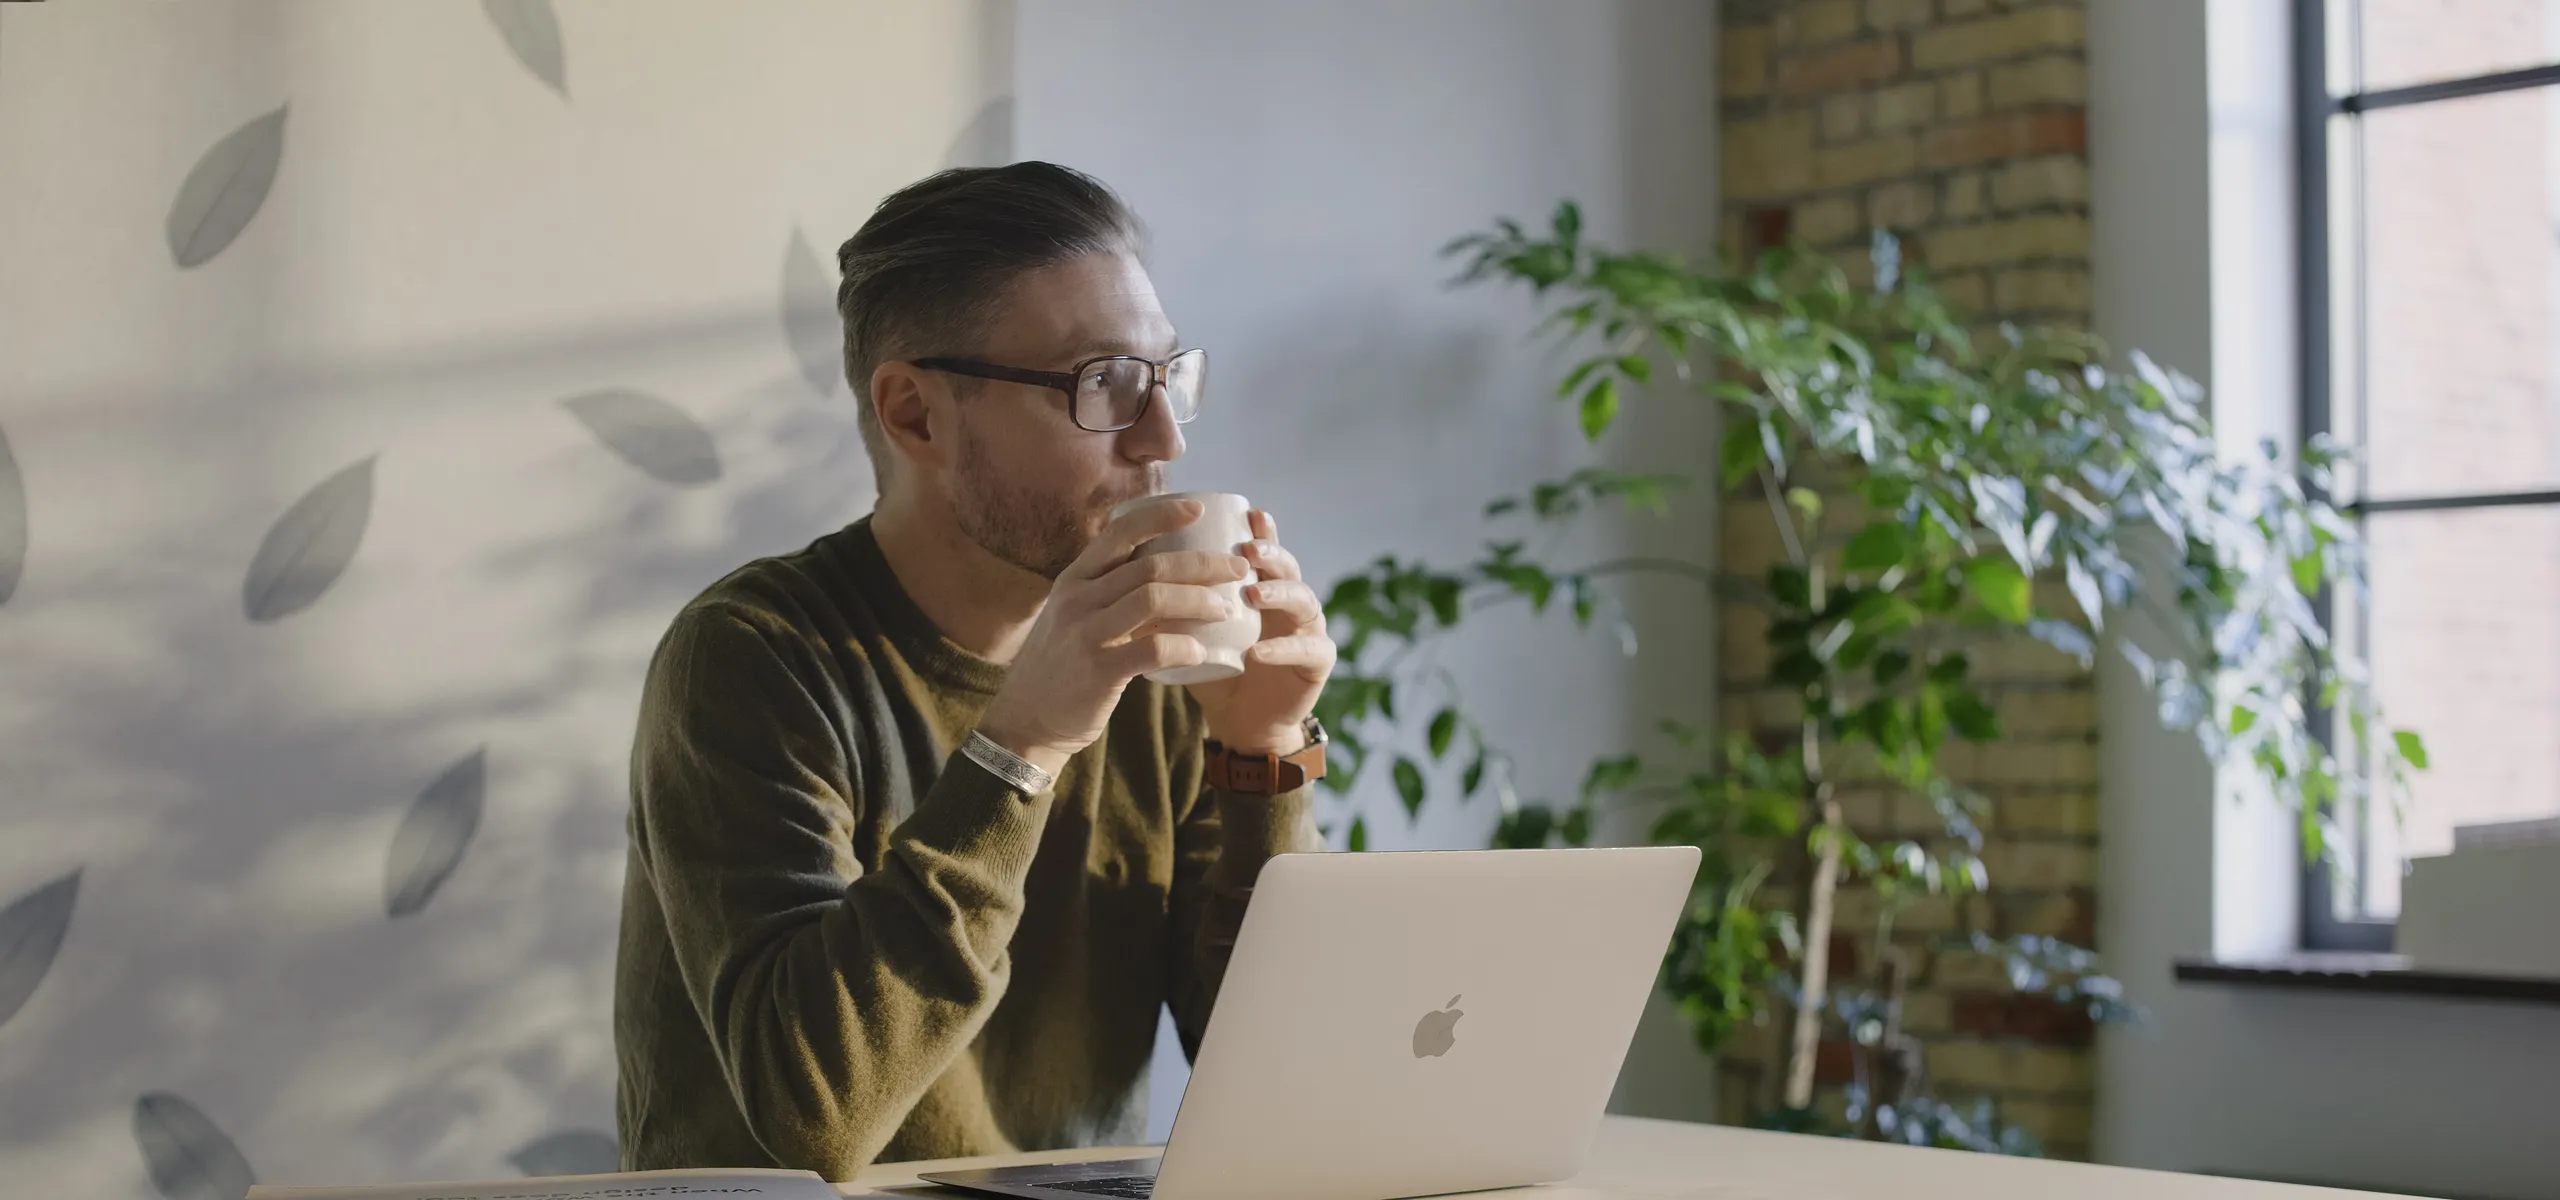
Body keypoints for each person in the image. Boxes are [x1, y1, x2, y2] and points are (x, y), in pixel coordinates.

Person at [611, 162, 1336, 1179]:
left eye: (1167, 377)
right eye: (1105, 384)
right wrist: (1022, 745)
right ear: (914, 415)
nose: (1164, 437)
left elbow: (1283, 1083)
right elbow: (816, 1121)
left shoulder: (1160, 668)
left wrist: (1262, 755)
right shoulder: (754, 656)